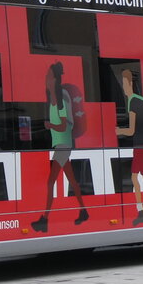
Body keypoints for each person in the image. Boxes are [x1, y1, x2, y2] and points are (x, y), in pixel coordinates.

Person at [31, 62, 88, 233]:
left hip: (63, 144)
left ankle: (45, 220)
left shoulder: (61, 99)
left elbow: (64, 126)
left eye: (48, 76)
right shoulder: (53, 99)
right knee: (72, 180)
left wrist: (49, 126)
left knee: (50, 182)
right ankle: (83, 211)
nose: (46, 80)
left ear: (55, 79)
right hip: (60, 143)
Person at [116, 68, 143, 225]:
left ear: (130, 83)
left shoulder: (132, 101)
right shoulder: (142, 99)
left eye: (124, 83)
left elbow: (131, 130)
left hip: (140, 144)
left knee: (135, 177)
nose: (123, 87)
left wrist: (118, 131)